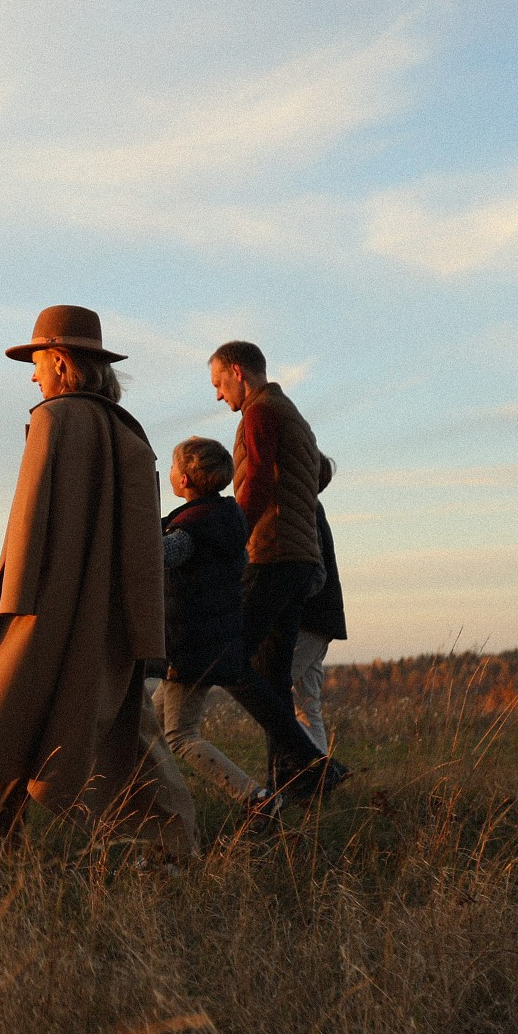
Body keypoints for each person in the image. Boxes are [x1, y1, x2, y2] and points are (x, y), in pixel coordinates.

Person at [0, 305, 198, 877]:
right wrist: (142, 625)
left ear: (62, 362)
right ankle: (172, 850)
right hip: (108, 617)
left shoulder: (54, 419)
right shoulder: (128, 433)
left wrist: (12, 605)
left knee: (5, 715)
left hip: (46, 609)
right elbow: (145, 543)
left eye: (38, 361)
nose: (33, 374)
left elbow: (30, 516)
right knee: (122, 731)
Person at [207, 340, 349, 798]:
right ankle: (286, 785)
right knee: (270, 676)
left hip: (271, 555)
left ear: (237, 371)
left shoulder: (260, 412)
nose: (218, 395)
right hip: (302, 563)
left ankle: (310, 764)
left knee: (225, 658)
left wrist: (231, 535)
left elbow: (261, 478)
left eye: (218, 383)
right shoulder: (295, 417)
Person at [152, 436, 285, 823]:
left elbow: (158, 556)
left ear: (187, 479)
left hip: (190, 646)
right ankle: (152, 807)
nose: (171, 474)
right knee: (150, 730)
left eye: (175, 467)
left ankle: (258, 798)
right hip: (208, 643)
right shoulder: (225, 521)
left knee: (179, 736)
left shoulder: (192, 529)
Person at [291, 456, 345, 753]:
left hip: (307, 619)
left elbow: (313, 571)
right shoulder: (314, 509)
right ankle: (320, 775)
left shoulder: (303, 511)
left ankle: (305, 771)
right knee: (306, 704)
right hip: (321, 619)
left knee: (269, 692)